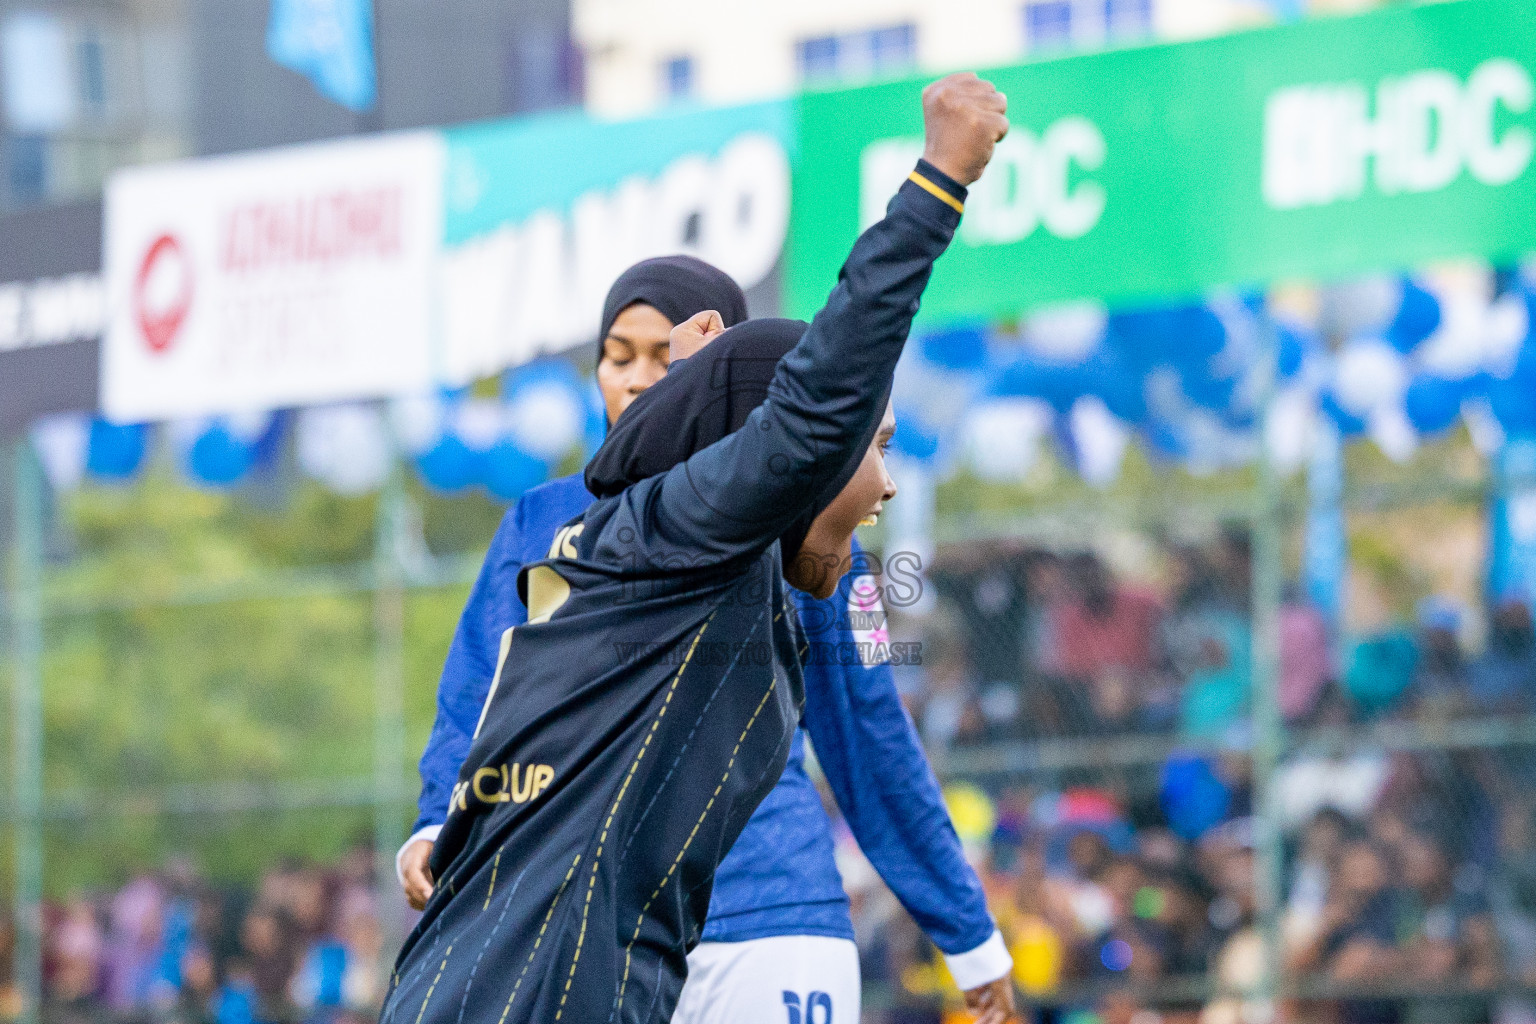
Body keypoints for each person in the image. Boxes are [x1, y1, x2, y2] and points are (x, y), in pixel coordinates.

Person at [380, 72, 1009, 1024]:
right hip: (582, 921)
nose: (639, 379)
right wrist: (444, 819)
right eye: (619, 354)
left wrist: (964, 928)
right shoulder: (556, 525)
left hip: (760, 918)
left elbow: (873, 734)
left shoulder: (835, 553)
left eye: (667, 357)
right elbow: (479, 699)